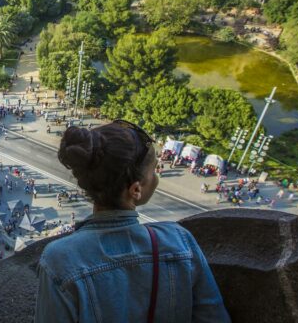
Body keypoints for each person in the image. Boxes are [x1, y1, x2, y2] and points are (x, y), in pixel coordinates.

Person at [35, 122, 230, 323]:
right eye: (154, 170)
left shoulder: (58, 259)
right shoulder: (179, 241)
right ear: (135, 189)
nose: (156, 177)